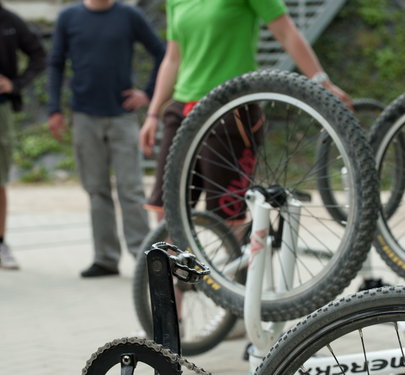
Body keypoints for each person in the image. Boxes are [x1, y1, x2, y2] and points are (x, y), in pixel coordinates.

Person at [140, 0, 353, 222]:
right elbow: (173, 58)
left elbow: (286, 32)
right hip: (184, 109)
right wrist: (153, 114)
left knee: (227, 220)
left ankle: (243, 255)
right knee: (166, 214)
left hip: (231, 109)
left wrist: (322, 83)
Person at [48, 0, 165, 278]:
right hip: (84, 116)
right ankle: (105, 258)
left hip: (121, 115)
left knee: (131, 188)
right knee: (96, 189)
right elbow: (55, 63)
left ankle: (142, 255)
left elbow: (162, 53)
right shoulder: (69, 17)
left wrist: (147, 94)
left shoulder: (129, 15)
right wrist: (54, 109)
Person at [0, 2, 46, 270]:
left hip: (1, 109)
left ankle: (1, 243)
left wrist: (14, 84)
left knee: (0, 180)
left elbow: (39, 56)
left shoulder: (9, 20)